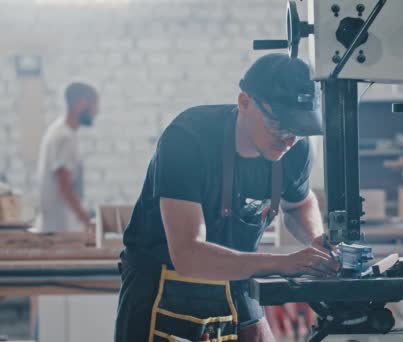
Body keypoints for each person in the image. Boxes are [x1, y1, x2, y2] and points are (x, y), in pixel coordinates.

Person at [114, 53, 339, 342]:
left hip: (236, 278)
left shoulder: (295, 149)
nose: (288, 138)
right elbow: (188, 254)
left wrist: (316, 242)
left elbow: (299, 203)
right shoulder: (188, 139)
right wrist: (284, 262)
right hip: (164, 284)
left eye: (297, 128)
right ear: (244, 103)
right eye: (279, 124)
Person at [32, 82, 98, 233]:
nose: (96, 111)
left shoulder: (59, 132)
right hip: (60, 227)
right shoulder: (64, 136)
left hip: (56, 225)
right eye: (94, 105)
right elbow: (65, 186)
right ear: (81, 104)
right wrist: (88, 222)